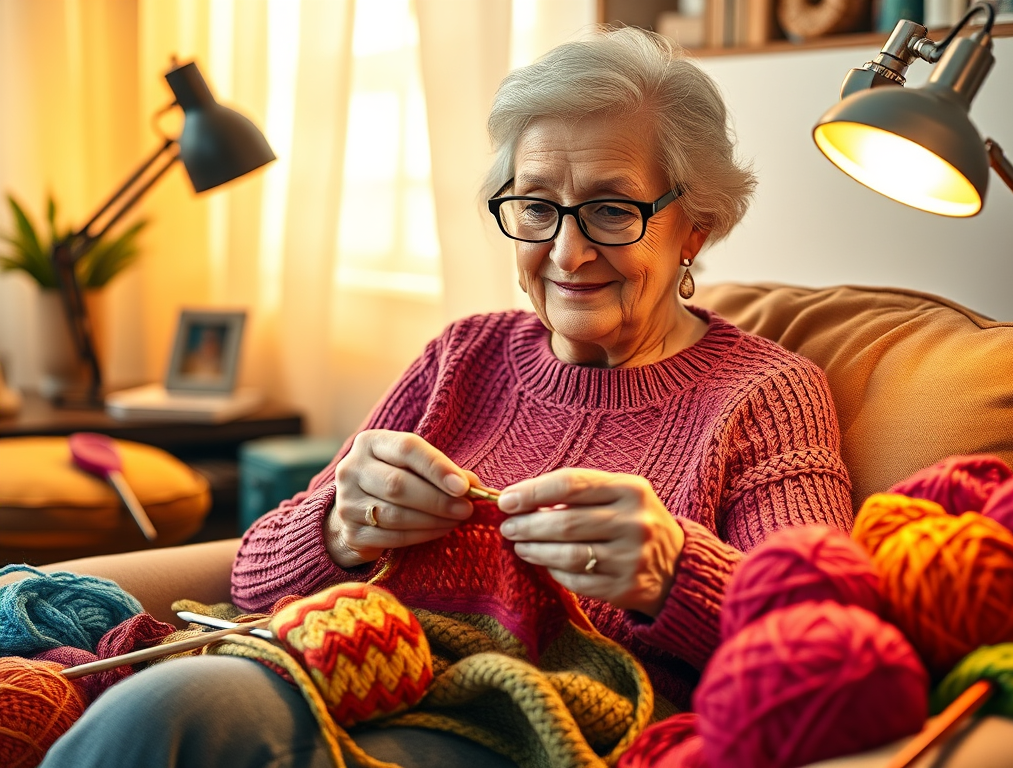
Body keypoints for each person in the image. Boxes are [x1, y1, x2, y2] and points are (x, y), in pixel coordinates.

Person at [42, 26, 853, 768]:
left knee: (178, 709)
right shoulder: (466, 354)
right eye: (536, 206)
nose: (567, 252)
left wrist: (674, 573)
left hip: (529, 730)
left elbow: (832, 641)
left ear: (696, 226)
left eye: (611, 209)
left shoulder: (766, 395)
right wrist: (339, 528)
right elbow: (255, 576)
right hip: (342, 670)